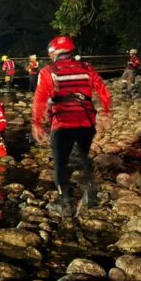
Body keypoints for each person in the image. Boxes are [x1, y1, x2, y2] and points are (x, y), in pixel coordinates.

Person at [31, 36, 112, 218]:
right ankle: (89, 192)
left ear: (54, 53)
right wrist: (106, 111)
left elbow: (40, 99)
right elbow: (103, 90)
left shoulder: (48, 72)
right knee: (82, 155)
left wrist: (37, 123)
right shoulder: (86, 68)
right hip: (86, 122)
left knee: (61, 163)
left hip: (63, 123)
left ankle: (65, 204)